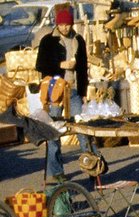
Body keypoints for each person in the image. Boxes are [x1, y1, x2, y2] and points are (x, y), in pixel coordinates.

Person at [35, 4, 98, 182]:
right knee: (54, 132)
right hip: (55, 93)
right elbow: (40, 66)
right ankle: (56, 172)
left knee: (82, 130)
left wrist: (84, 91)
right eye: (62, 24)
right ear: (57, 24)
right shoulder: (48, 41)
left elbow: (83, 68)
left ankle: (92, 166)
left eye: (68, 24)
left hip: (75, 90)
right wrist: (60, 65)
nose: (65, 27)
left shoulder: (78, 40)